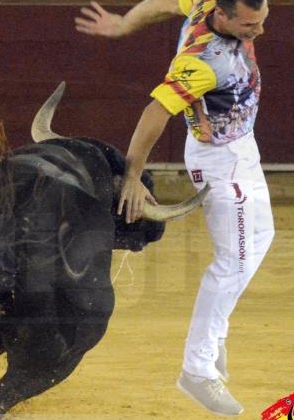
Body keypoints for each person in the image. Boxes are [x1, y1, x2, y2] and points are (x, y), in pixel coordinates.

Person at [76, 0, 274, 416]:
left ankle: (214, 333)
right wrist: (132, 176)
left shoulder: (205, 2)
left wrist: (125, 23)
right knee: (232, 262)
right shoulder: (201, 62)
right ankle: (197, 370)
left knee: (261, 238)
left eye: (262, 19)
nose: (259, 31)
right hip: (220, 162)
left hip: (241, 146)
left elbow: (160, 3)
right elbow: (155, 111)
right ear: (222, 17)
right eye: (249, 25)